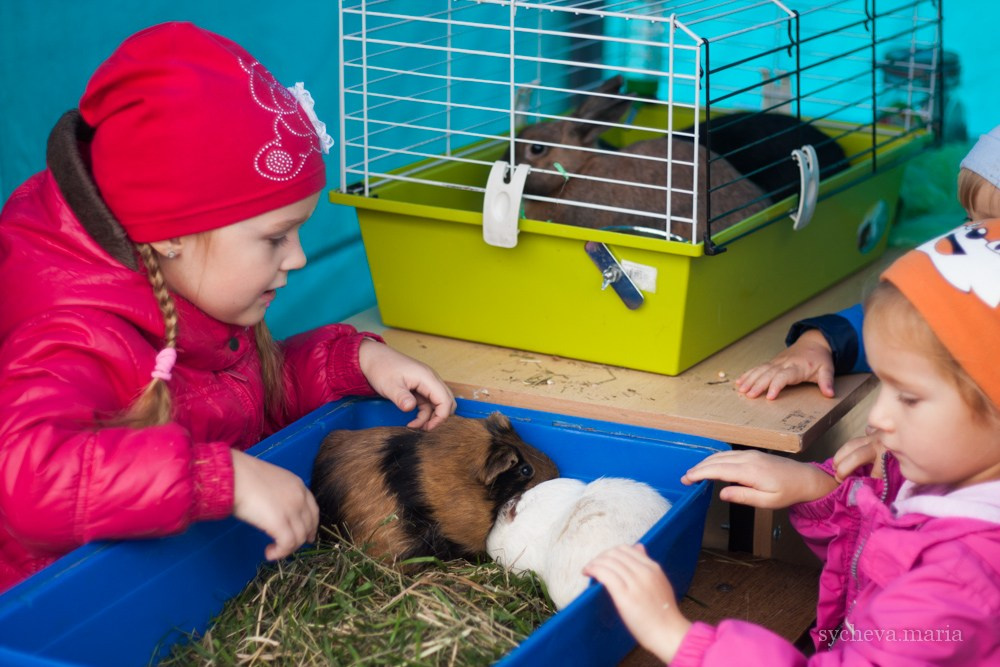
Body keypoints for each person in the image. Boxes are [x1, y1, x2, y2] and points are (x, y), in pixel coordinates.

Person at [0, 22, 456, 593]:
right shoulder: (71, 334)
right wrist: (220, 478)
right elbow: (30, 483)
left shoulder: (199, 298)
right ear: (172, 235)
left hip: (189, 584)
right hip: (65, 609)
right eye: (275, 238)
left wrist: (355, 361)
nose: (298, 258)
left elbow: (235, 401)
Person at [585, 218, 1000, 665]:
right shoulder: (952, 473)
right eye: (883, 384)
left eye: (911, 398)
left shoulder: (956, 587)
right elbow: (886, 551)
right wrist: (819, 488)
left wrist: (675, 636)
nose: (878, 417)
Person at [736, 124, 1000, 400]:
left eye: (996, 231)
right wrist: (819, 343)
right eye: (970, 221)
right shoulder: (968, 281)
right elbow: (901, 321)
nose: (974, 239)